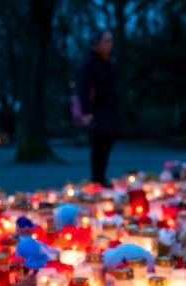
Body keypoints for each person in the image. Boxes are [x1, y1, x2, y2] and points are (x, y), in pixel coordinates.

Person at [76, 30, 119, 185]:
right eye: (106, 41)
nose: (110, 44)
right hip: (96, 111)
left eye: (111, 41)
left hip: (108, 110)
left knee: (107, 143)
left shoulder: (107, 62)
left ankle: (100, 177)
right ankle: (96, 178)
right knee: (99, 145)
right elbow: (83, 88)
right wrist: (87, 112)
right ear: (97, 44)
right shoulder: (89, 63)